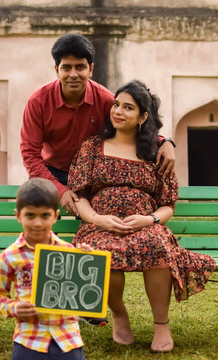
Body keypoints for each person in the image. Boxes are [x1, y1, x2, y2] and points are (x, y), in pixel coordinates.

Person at [67, 80, 217, 352]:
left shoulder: (155, 153)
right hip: (100, 225)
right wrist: (97, 219)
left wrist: (150, 220)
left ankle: (161, 324)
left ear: (143, 117)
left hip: (145, 225)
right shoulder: (92, 147)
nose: (118, 111)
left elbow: (167, 204)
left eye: (128, 107)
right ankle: (120, 315)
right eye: (115, 104)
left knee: (158, 245)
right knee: (101, 251)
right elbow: (79, 195)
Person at [20, 32, 176, 218]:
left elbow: (129, 125)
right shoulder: (39, 101)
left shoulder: (104, 99)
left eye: (80, 67)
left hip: (90, 175)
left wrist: (165, 141)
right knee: (40, 213)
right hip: (50, 171)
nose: (73, 74)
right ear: (56, 69)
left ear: (91, 69)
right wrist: (59, 191)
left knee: (96, 212)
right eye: (66, 67)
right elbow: (30, 154)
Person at [0, 178, 93, 360]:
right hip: (29, 339)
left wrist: (88, 261)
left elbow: (86, 293)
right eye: (30, 215)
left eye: (44, 215)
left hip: (67, 338)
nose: (37, 223)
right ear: (18, 215)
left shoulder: (69, 252)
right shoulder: (10, 256)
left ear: (54, 216)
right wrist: (13, 308)